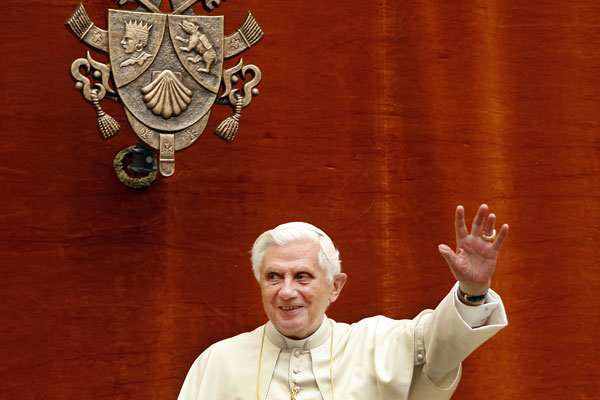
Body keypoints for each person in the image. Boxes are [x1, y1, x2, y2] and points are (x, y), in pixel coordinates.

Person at [177, 204, 509, 399]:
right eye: (274, 277)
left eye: (302, 276)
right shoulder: (218, 362)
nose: (287, 291)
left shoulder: (377, 344)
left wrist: (472, 290)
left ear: (335, 286)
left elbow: (439, 345)